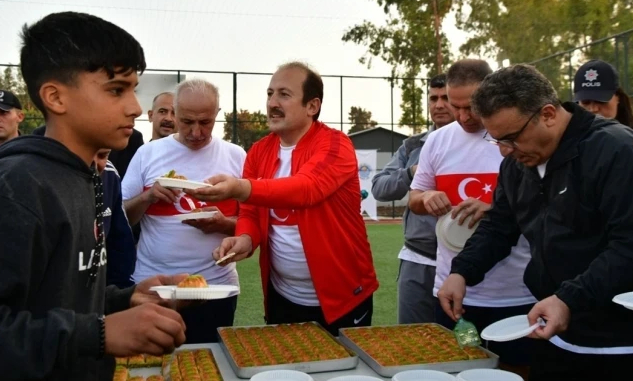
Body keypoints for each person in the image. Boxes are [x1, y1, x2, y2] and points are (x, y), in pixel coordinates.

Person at [0, 12, 186, 381]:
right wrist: (97, 333)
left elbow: (58, 297)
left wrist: (126, 299)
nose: (133, 107)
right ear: (55, 97)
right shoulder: (13, 189)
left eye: (134, 89)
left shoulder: (82, 175)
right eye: (116, 89)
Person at [439, 64, 633, 381]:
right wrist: (462, 271)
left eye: (511, 138)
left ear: (548, 114)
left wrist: (569, 299)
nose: (506, 151)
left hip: (623, 345)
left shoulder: (616, 150)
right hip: (554, 336)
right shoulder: (517, 164)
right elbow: (499, 226)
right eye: (497, 141)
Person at [190, 61, 379, 336]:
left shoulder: (336, 144)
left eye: (284, 94)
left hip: (344, 299)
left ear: (312, 106)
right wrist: (245, 238)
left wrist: (240, 187)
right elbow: (251, 213)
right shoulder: (259, 151)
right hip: (283, 297)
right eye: (269, 94)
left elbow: (306, 189)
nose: (272, 103)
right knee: (287, 375)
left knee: (343, 376)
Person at [408, 59, 535, 371]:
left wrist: (496, 208)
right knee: (458, 373)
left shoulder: (515, 137)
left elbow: (544, 206)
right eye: (455, 106)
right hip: (454, 294)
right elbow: (413, 198)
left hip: (515, 292)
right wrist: (426, 197)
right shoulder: (438, 140)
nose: (463, 116)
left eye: (471, 106)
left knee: (515, 377)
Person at [122, 79, 245, 344]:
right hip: (154, 285)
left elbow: (253, 224)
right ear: (175, 112)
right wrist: (148, 197)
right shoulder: (148, 153)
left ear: (217, 115)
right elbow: (121, 219)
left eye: (206, 122)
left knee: (211, 370)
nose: (197, 132)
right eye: (188, 121)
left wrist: (222, 223)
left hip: (216, 288)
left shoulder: (236, 156)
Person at [371, 73, 454, 324]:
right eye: (433, 98)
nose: (439, 105)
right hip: (420, 259)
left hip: (467, 261)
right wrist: (412, 172)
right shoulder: (413, 146)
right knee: (414, 342)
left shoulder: (485, 141)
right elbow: (380, 188)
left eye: (446, 98)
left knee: (465, 345)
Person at [573, 59, 633, 143]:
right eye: (585, 102)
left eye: (601, 100)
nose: (593, 109)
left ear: (618, 98)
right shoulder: (572, 143)